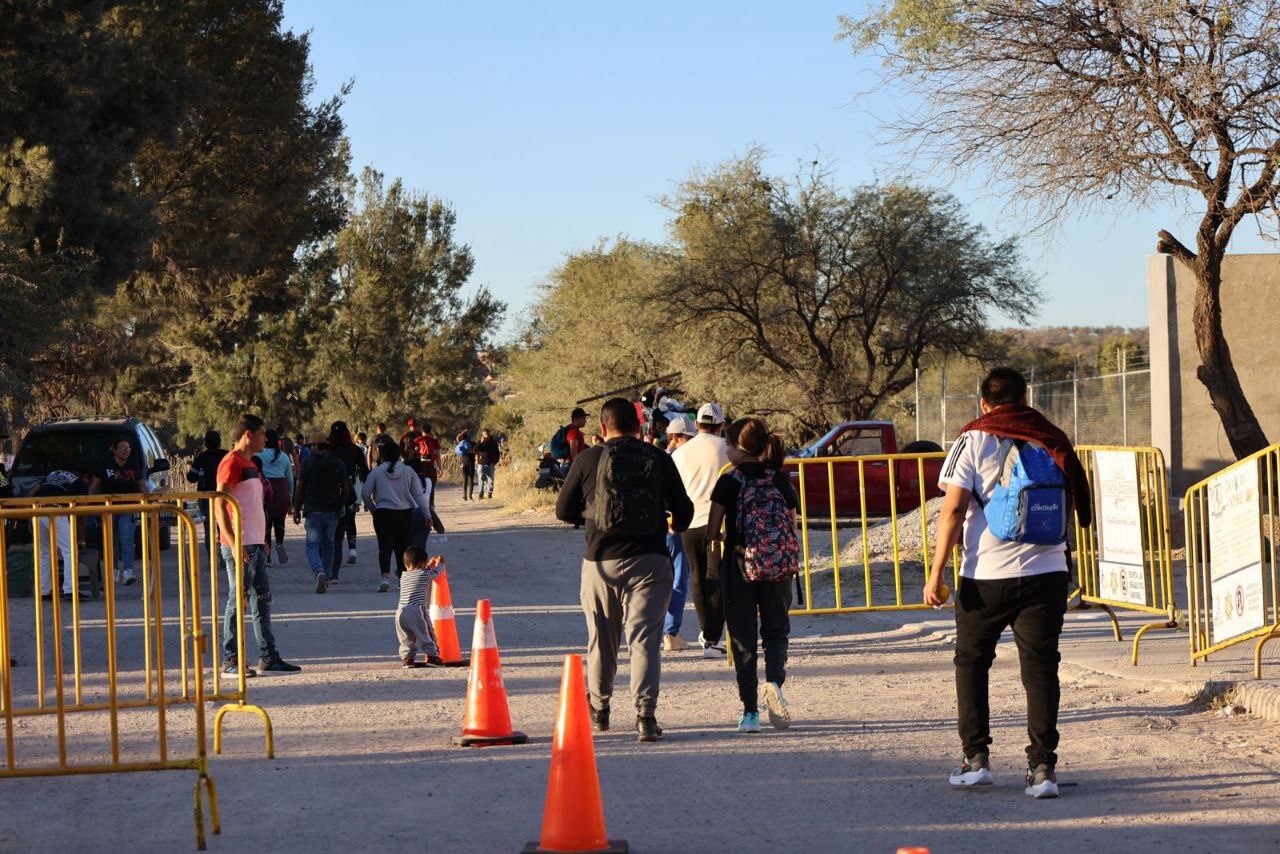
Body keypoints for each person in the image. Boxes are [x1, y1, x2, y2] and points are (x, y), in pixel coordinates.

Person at [924, 367, 1092, 799]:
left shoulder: (973, 438)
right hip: (1048, 572)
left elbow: (953, 510)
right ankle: (1042, 770)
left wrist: (937, 569)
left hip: (987, 575)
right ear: (1024, 397)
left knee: (972, 662)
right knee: (1040, 669)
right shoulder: (1050, 436)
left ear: (984, 404)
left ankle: (975, 760)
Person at [555, 398, 694, 743]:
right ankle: (645, 717)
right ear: (638, 425)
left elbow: (562, 509)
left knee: (602, 640)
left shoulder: (589, 458)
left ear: (602, 428)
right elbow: (685, 511)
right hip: (651, 560)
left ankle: (600, 711)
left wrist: (589, 521)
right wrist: (671, 523)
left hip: (600, 560)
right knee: (644, 640)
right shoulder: (659, 458)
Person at [707, 418, 800, 734]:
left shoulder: (729, 481)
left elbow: (711, 530)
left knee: (744, 640)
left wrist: (716, 547)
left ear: (737, 449)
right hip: (778, 568)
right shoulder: (780, 480)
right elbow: (792, 524)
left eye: (728, 445)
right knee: (776, 630)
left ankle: (750, 713)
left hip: (739, 567)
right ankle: (774, 681)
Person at [215, 414, 301, 676]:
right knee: (237, 600)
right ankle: (230, 660)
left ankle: (269, 657)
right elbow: (220, 504)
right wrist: (233, 541)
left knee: (262, 600)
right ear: (248, 434)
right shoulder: (231, 462)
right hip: (239, 545)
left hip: (255, 543)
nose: (267, 438)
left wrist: (262, 538)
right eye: (262, 433)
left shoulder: (251, 463)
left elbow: (252, 505)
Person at [672, 402, 730, 658]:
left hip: (688, 522)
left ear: (696, 425)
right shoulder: (727, 448)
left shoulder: (680, 453)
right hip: (719, 523)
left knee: (697, 576)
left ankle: (708, 634)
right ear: (721, 425)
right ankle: (712, 637)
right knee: (716, 578)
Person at [363, 437, 430, 592]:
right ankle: (402, 579)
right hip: (404, 513)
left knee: (384, 546)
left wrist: (374, 509)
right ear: (400, 454)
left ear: (382, 455)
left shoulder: (377, 472)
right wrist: (427, 515)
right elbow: (418, 496)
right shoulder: (409, 471)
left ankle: (385, 577)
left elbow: (366, 493)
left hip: (383, 513)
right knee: (402, 547)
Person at [293, 432, 350, 594]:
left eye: (312, 446)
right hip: (332, 510)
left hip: (313, 510)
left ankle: (319, 571)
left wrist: (297, 508)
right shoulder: (337, 462)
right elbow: (345, 487)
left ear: (317, 446)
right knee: (329, 544)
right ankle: (327, 574)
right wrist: (340, 504)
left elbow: (300, 487)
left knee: (312, 545)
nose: (310, 449)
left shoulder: (308, 462)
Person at [89, 438, 148, 586]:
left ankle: (128, 571)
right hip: (109, 509)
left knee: (127, 541)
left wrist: (150, 501)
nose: (125, 451)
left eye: (128, 448)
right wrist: (88, 503)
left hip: (128, 508)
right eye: (122, 447)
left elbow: (142, 486)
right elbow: (94, 487)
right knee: (110, 541)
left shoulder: (133, 466)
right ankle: (113, 571)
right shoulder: (105, 465)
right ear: (114, 450)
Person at [661, 416, 697, 652]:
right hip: (676, 526)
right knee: (678, 579)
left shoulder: (663, 458)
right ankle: (670, 633)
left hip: (659, 525)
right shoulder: (684, 459)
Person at [33, 469, 88, 599]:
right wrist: (82, 539)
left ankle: (43, 591)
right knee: (69, 551)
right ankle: (70, 590)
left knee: (44, 553)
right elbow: (83, 513)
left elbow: (32, 493)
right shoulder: (80, 482)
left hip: (39, 510)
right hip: (57, 510)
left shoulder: (51, 474)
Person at [328, 421, 369, 579]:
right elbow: (365, 472)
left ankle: (332, 565)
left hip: (331, 491)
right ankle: (352, 549)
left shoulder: (329, 450)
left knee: (335, 528)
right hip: (350, 489)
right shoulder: (355, 450)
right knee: (350, 519)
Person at [395, 546, 447, 668]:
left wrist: (427, 565)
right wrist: (441, 564)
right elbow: (435, 574)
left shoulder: (403, 576)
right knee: (427, 633)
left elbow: (422, 572)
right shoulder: (425, 574)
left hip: (400, 612)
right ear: (422, 563)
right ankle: (432, 656)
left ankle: (407, 659)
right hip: (416, 610)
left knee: (406, 637)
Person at [258, 430, 295, 566]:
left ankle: (267, 558)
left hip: (265, 488)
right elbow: (290, 479)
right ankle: (279, 543)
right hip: (281, 488)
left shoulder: (258, 455)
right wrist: (290, 496)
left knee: (265, 523)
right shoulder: (284, 456)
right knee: (280, 520)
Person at [186, 430, 227, 547]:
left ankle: (211, 561)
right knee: (224, 526)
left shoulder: (201, 458)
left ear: (206, 443)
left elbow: (191, 478)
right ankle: (224, 555)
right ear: (220, 442)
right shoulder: (226, 456)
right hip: (225, 496)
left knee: (208, 529)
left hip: (206, 498)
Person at [549, 407, 589, 475]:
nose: (585, 421)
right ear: (576, 419)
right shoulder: (574, 433)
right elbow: (573, 451)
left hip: (567, 465)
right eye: (583, 419)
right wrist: (578, 469)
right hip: (570, 466)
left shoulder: (569, 429)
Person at [474, 428, 500, 499]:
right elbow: (474, 450)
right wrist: (480, 443)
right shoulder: (480, 442)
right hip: (481, 464)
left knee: (491, 480)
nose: (487, 436)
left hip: (491, 464)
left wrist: (495, 462)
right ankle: (481, 493)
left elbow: (497, 454)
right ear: (483, 435)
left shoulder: (494, 443)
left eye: (488, 434)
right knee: (481, 478)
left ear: (490, 434)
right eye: (485, 434)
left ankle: (489, 493)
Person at [455, 429, 477, 500]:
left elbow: (457, 438)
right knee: (471, 479)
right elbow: (475, 452)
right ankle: (470, 495)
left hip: (463, 462)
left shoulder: (460, 442)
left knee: (465, 479)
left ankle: (465, 495)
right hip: (471, 463)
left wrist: (463, 431)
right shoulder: (473, 443)